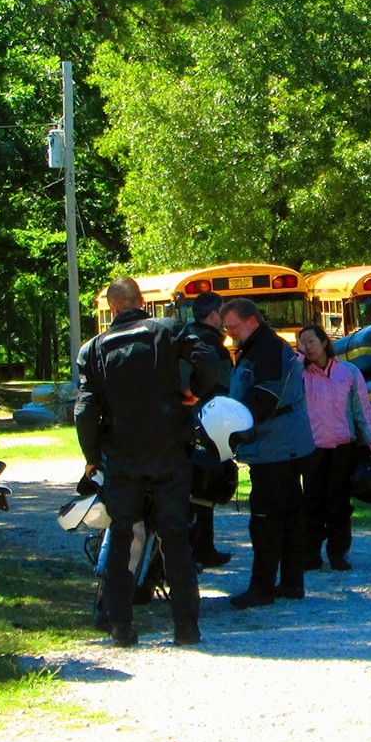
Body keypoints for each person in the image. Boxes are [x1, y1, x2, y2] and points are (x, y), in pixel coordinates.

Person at [74, 277, 219, 647]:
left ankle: (120, 626)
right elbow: (207, 359)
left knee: (122, 538)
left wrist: (92, 458)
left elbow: (86, 409)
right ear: (141, 301)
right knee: (175, 538)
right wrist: (195, 394)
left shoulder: (92, 350)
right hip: (170, 449)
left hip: (121, 455)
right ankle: (186, 628)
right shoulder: (169, 330)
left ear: (112, 307)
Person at [220, 299, 316, 609]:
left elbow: (264, 400)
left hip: (276, 447)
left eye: (233, 327)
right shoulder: (258, 348)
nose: (229, 333)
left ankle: (261, 589)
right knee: (290, 515)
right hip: (282, 446)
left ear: (251, 322)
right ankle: (290, 583)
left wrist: (234, 430)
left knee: (266, 519)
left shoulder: (267, 350)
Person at [297, 324, 371, 571]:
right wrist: (298, 359)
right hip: (312, 449)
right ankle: (310, 553)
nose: (307, 347)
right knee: (311, 502)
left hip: (343, 447)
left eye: (311, 341)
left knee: (340, 503)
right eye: (302, 343)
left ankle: (338, 553)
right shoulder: (300, 375)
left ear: (324, 342)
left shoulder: (349, 373)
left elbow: (362, 410)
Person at [183, 290, 234, 568]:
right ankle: (202, 547)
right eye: (223, 313)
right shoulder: (214, 346)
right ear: (214, 315)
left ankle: (190, 547)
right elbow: (224, 393)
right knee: (205, 488)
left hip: (177, 425)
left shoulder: (180, 338)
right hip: (205, 426)